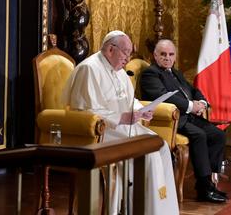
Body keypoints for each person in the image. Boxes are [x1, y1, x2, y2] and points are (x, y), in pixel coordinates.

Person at [62, 30, 179, 215]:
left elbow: (128, 100)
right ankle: (137, 208)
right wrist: (122, 118)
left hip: (123, 128)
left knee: (161, 145)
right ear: (110, 49)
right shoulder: (89, 69)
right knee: (147, 151)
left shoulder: (120, 72)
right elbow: (85, 112)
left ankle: (161, 209)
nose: (128, 58)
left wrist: (141, 111)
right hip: (100, 132)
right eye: (126, 52)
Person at [140, 39, 227, 203]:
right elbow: (162, 96)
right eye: (163, 54)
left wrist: (202, 103)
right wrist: (190, 106)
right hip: (171, 121)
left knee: (217, 135)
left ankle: (209, 182)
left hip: (190, 117)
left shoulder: (175, 72)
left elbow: (193, 90)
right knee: (199, 135)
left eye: (171, 54)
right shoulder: (151, 73)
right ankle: (204, 187)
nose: (167, 58)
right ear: (155, 55)